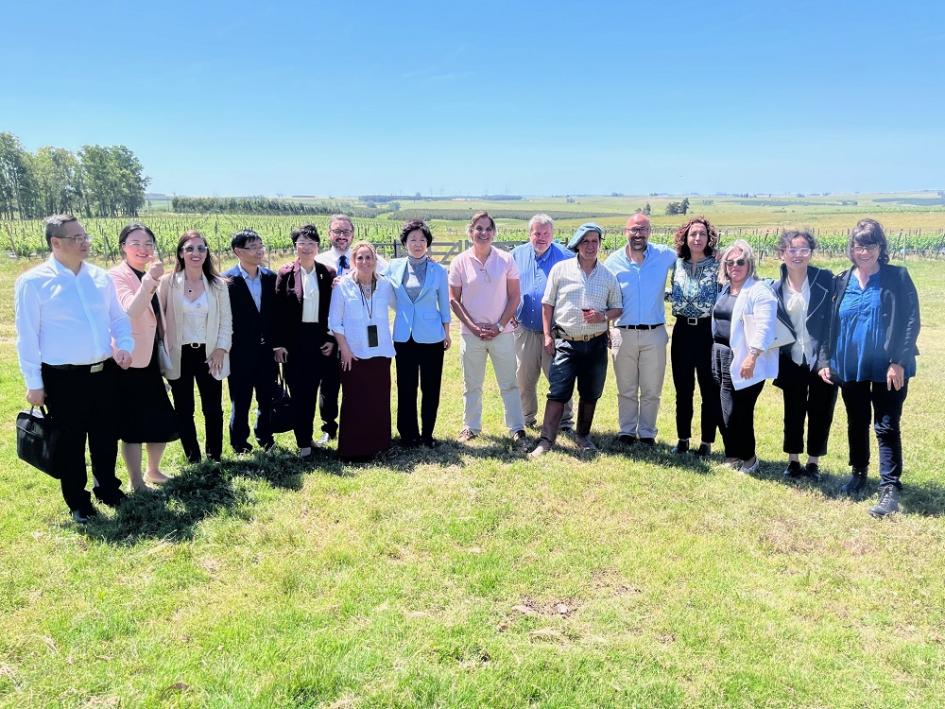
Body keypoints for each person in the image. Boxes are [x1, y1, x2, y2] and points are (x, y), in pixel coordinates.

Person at [15, 214, 133, 523]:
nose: (85, 242)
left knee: (106, 436)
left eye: (85, 236)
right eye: (77, 238)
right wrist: (34, 383)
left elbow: (118, 318)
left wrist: (125, 345)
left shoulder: (99, 277)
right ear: (56, 243)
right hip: (62, 378)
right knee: (70, 442)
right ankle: (78, 501)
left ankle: (107, 488)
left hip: (103, 371)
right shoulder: (33, 282)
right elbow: (27, 337)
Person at [819, 219, 920, 517]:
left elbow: (911, 322)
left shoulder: (897, 277)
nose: (864, 251)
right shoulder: (841, 280)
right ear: (851, 248)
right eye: (859, 245)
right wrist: (826, 360)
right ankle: (859, 473)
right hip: (851, 366)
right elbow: (829, 325)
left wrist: (898, 361)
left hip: (888, 366)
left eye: (870, 245)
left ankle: (889, 487)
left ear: (880, 247)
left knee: (886, 425)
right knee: (856, 421)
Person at [529, 224, 622, 457]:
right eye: (585, 241)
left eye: (594, 241)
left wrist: (603, 316)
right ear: (577, 244)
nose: (590, 246)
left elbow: (618, 307)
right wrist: (548, 335)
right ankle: (546, 440)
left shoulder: (608, 276)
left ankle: (583, 435)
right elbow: (547, 304)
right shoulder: (561, 270)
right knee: (558, 391)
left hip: (596, 343)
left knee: (591, 392)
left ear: (600, 244)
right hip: (567, 342)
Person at [108, 223, 179, 490]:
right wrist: (149, 281)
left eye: (148, 243)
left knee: (159, 416)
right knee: (134, 424)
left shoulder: (151, 275)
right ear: (123, 247)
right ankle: (136, 480)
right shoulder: (117, 276)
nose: (143, 248)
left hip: (151, 359)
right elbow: (130, 312)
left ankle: (154, 470)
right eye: (135, 243)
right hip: (129, 361)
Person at [448, 211, 527, 445]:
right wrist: (472, 327)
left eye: (488, 229)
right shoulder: (459, 261)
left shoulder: (506, 260)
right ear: (471, 232)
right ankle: (471, 426)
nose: (483, 233)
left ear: (494, 233)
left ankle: (517, 428)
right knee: (471, 384)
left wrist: (500, 324)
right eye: (479, 228)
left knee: (509, 383)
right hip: (471, 335)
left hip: (502, 333)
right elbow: (454, 299)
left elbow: (514, 296)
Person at [158, 230, 232, 463]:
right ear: (180, 253)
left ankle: (214, 455)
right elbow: (158, 320)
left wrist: (221, 349)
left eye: (201, 248)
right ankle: (193, 456)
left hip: (209, 353)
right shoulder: (167, 283)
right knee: (184, 408)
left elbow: (226, 321)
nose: (195, 253)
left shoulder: (217, 285)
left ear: (207, 253)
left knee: (212, 408)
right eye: (189, 248)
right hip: (178, 353)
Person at [604, 213, 677, 446]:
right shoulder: (612, 262)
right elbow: (605, 298)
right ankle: (626, 431)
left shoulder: (664, 255)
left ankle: (647, 433)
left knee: (651, 388)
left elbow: (691, 257)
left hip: (654, 333)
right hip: (622, 333)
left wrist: (715, 254)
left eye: (643, 229)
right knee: (625, 387)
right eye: (634, 230)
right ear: (625, 232)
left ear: (650, 232)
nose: (638, 234)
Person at [315, 214, 387, 446]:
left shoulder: (367, 258)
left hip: (358, 331)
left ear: (352, 234)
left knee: (357, 383)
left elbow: (387, 276)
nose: (342, 235)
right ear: (329, 234)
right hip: (329, 331)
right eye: (337, 231)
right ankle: (329, 427)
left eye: (346, 231)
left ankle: (364, 427)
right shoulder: (320, 260)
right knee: (329, 383)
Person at [711, 239, 779, 474]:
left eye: (740, 261)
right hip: (719, 354)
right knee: (723, 409)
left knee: (738, 411)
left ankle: (749, 459)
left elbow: (765, 327)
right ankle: (732, 454)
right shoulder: (726, 289)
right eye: (729, 262)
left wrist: (752, 356)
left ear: (749, 263)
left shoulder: (759, 291)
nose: (734, 266)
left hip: (743, 358)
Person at [772, 229, 836, 481]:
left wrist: (826, 360)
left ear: (811, 253)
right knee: (793, 410)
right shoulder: (775, 287)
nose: (798, 255)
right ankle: (793, 460)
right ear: (782, 253)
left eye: (804, 250)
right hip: (792, 359)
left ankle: (813, 462)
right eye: (792, 249)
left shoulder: (826, 280)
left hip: (821, 359)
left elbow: (833, 324)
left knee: (821, 410)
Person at [273, 224, 337, 460]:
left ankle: (309, 436)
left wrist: (331, 339)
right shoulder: (285, 273)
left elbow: (334, 310)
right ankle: (303, 443)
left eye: (311, 243)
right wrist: (278, 344)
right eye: (302, 243)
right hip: (294, 342)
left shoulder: (327, 273)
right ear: (295, 246)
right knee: (299, 392)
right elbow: (277, 311)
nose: (307, 247)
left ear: (318, 246)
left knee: (314, 390)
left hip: (319, 341)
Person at [328, 241, 396, 461]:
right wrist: (344, 349)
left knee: (378, 399)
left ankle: (379, 445)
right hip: (353, 353)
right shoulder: (342, 286)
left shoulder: (386, 286)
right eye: (360, 258)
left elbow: (403, 303)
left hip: (380, 352)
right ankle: (354, 449)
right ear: (352, 261)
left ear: (376, 261)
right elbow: (334, 322)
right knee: (354, 400)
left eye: (369, 258)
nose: (365, 262)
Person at [387, 220, 451, 448]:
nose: (417, 244)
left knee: (430, 388)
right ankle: (408, 435)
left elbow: (444, 303)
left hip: (432, 337)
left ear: (428, 244)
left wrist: (447, 332)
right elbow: (366, 273)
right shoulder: (392, 267)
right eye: (412, 239)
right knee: (406, 387)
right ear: (404, 243)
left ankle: (427, 434)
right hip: (404, 337)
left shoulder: (439, 270)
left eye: (422, 240)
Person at [511, 213, 575, 431]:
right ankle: (526, 417)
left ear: (552, 235)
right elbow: (504, 284)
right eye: (537, 233)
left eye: (546, 233)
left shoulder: (565, 257)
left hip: (555, 331)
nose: (541, 237)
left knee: (558, 376)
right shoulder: (515, 256)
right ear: (529, 234)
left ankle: (564, 421)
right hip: (524, 328)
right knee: (524, 378)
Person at [669, 217, 721, 457]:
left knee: (709, 389)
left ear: (709, 238)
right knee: (683, 388)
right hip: (682, 331)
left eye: (702, 234)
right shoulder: (676, 264)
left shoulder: (718, 265)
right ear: (685, 238)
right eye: (693, 234)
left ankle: (707, 442)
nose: (697, 238)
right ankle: (683, 439)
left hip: (706, 331)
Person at [224, 228, 277, 455]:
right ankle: (239, 442)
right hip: (239, 352)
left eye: (260, 246)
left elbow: (276, 316)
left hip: (266, 351)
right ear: (238, 251)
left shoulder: (270, 277)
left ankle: (265, 437)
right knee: (241, 399)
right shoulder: (227, 281)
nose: (259, 251)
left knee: (266, 397)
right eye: (253, 247)